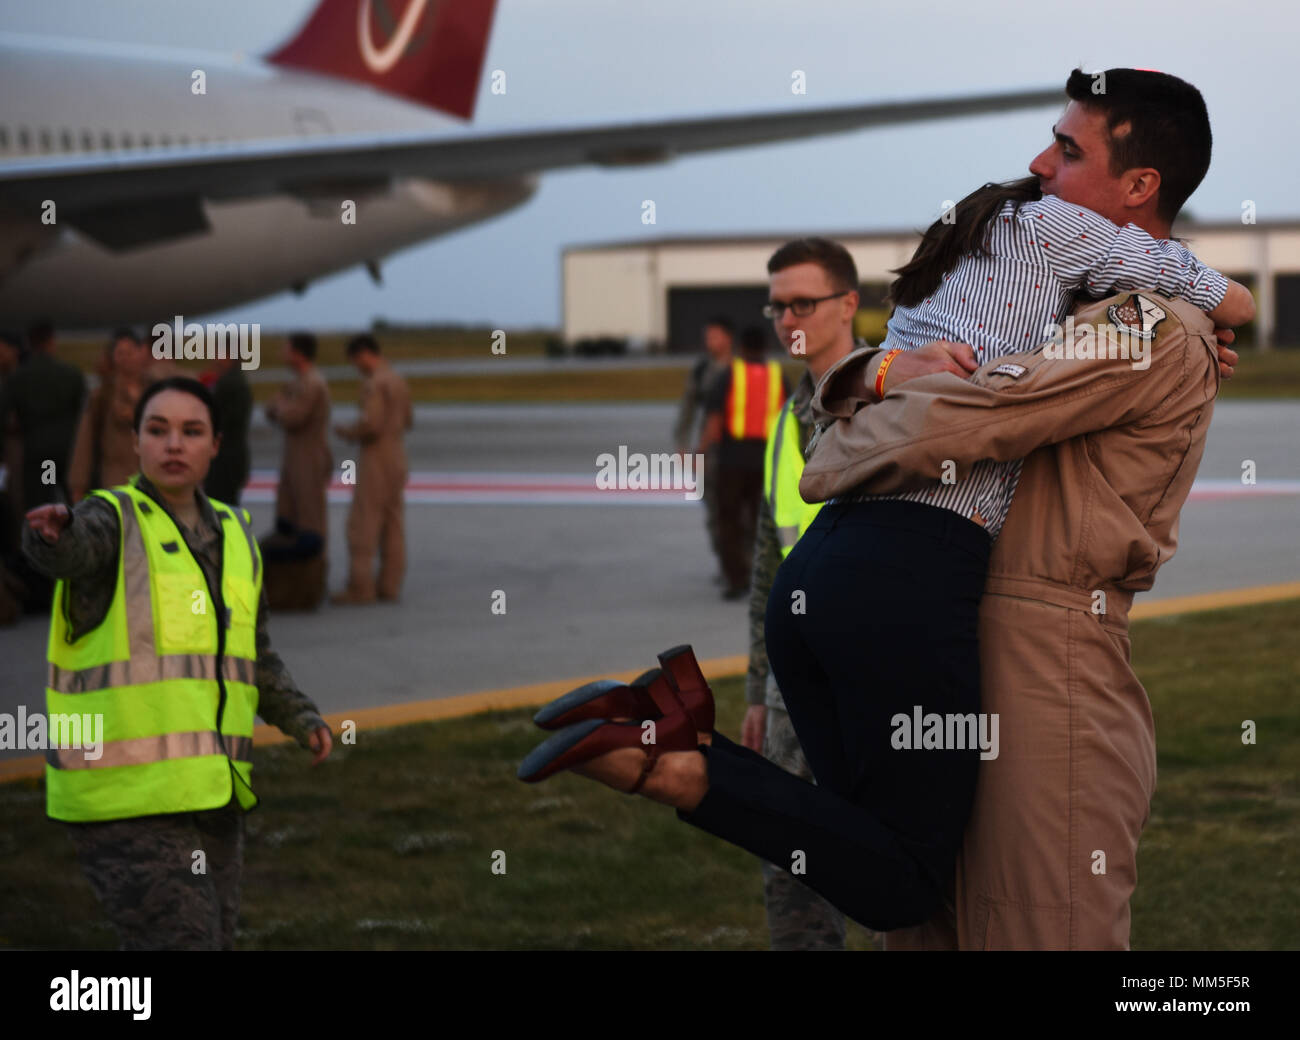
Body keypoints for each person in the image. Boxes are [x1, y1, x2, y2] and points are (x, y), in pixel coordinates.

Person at [517, 68, 1251, 939]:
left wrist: (834, 455)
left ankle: (681, 765)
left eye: (1066, 148)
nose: (1038, 162)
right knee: (910, 889)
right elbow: (941, 377)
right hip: (934, 610)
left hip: (1038, 657)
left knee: (1017, 917)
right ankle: (680, 765)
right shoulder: (1069, 296)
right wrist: (876, 371)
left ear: (1139, 186)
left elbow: (979, 411)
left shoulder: (1145, 319)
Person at [22, 376, 332, 951]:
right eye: (157, 430)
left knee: (201, 941)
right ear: (135, 441)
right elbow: (73, 549)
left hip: (211, 796)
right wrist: (53, 538)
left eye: (192, 432)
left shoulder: (237, 535)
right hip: (123, 801)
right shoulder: (112, 520)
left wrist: (300, 717)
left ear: (216, 444)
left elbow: (253, 654)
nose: (173, 444)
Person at [741, 239, 862, 951]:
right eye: (778, 304)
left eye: (803, 303)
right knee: (791, 866)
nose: (789, 317)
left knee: (888, 873)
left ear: (848, 304)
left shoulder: (899, 398)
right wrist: (757, 689)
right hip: (794, 693)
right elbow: (767, 569)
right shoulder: (787, 422)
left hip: (876, 689)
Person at [0, 321, 86, 609]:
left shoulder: (19, 378)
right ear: (51, 341)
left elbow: (6, 415)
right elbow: (81, 411)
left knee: (42, 512)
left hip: (41, 457)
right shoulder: (71, 374)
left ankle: (43, 585)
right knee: (73, 508)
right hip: (68, 452)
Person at [700, 326, 788, 599]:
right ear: (765, 348)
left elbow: (714, 421)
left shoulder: (729, 374)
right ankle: (766, 577)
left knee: (728, 521)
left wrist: (702, 451)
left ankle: (736, 579)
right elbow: (791, 417)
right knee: (763, 521)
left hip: (732, 460)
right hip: (767, 460)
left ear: (740, 347)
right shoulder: (778, 376)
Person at [333, 334, 412, 604]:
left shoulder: (375, 384)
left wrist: (347, 432)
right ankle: (390, 585)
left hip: (376, 456)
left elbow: (371, 424)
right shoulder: (398, 380)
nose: (356, 366)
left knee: (363, 523)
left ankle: (361, 587)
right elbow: (409, 419)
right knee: (393, 523)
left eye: (355, 359)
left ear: (364, 354)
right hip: (397, 454)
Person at [261, 332, 333, 610]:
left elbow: (292, 416)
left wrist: (281, 406)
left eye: (286, 348)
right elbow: (273, 409)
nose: (282, 352)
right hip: (294, 457)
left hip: (309, 459)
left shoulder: (312, 384)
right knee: (290, 520)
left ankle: (313, 583)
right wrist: (280, 406)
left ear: (299, 353)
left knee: (311, 525)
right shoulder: (297, 383)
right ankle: (293, 585)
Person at [67, 327, 165, 503]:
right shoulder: (103, 394)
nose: (126, 358)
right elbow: (85, 440)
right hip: (114, 477)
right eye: (120, 353)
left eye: (130, 352)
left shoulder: (156, 390)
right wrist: (78, 485)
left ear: (141, 352)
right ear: (113, 357)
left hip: (153, 475)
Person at [673, 317, 734, 584]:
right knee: (713, 507)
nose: (710, 342)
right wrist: (683, 445)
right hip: (708, 451)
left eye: (715, 336)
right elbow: (687, 410)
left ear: (728, 338)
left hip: (738, 450)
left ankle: (740, 564)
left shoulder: (741, 368)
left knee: (741, 510)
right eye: (707, 337)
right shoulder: (701, 371)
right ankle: (725, 563)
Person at [203, 356, 252, 505]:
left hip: (224, 460)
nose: (215, 358)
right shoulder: (234, 380)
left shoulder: (229, 383)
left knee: (221, 506)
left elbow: (221, 419)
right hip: (232, 456)